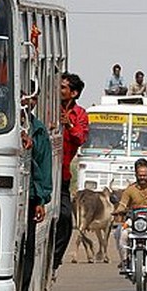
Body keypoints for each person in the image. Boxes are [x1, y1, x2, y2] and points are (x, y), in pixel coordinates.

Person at [53, 72, 89, 269]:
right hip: (44, 172)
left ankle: (55, 261)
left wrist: (70, 124)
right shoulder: (48, 107)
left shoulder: (80, 115)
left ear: (73, 93)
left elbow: (81, 138)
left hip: (63, 176)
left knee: (66, 218)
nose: (60, 90)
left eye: (63, 87)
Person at [20, 91, 52, 291]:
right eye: (23, 97)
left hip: (30, 196)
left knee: (27, 247)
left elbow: (43, 166)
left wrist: (41, 199)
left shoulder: (38, 130)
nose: (27, 102)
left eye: (31, 99)